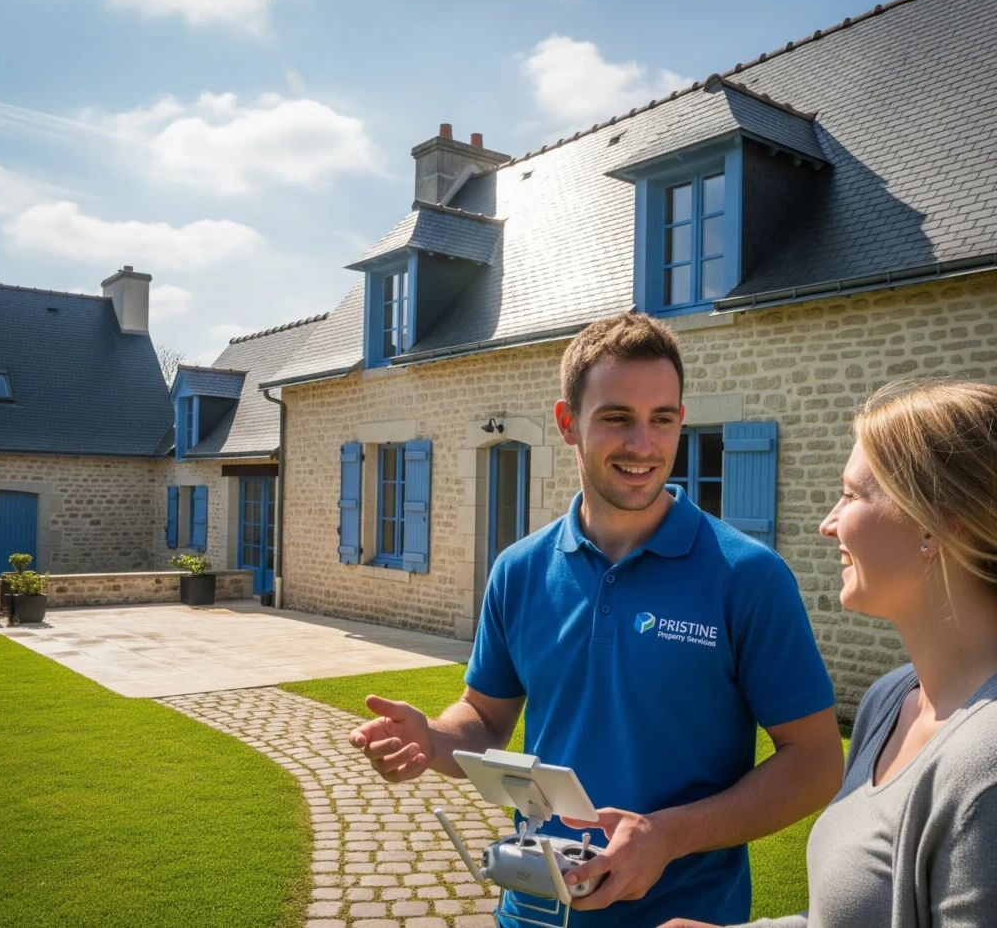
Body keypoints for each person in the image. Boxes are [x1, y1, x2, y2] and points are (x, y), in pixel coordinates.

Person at [349, 313, 843, 928]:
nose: (643, 443)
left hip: (682, 918)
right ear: (568, 424)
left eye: (662, 419)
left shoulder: (748, 577)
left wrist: (667, 835)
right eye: (616, 418)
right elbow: (485, 715)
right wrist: (435, 740)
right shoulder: (519, 569)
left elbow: (817, 761)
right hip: (530, 911)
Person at [659, 379, 997, 928]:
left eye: (852, 494)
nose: (828, 523)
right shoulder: (891, 701)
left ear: (937, 525)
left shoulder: (986, 767)